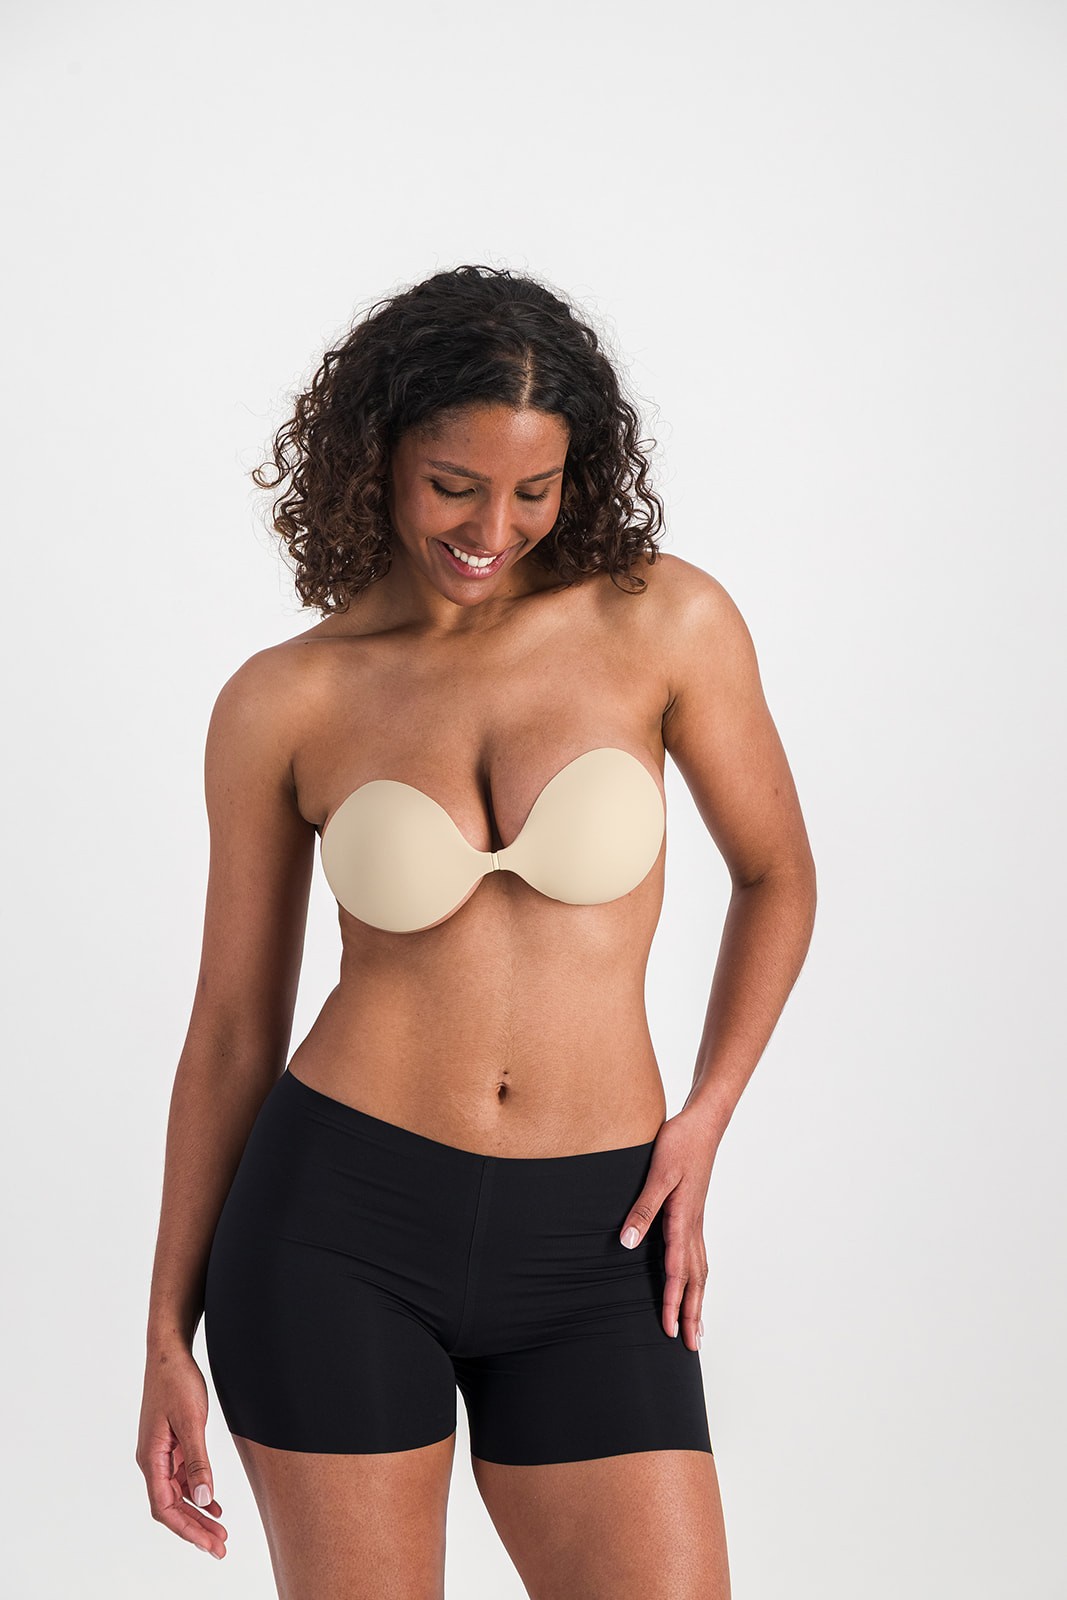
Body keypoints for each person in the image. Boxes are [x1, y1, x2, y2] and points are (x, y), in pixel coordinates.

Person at [136, 263, 817, 1599]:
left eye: (533, 490)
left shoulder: (663, 621)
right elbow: (229, 1032)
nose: (491, 530)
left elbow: (777, 874)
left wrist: (706, 1115)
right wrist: (167, 1328)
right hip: (334, 1228)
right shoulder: (285, 701)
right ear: (377, 459)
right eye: (454, 485)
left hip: (605, 1233)